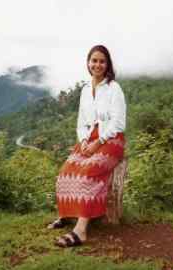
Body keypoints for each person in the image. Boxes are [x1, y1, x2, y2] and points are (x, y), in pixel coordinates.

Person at [47, 45, 127, 247]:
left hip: (111, 140)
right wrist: (83, 141)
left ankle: (81, 230)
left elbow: (118, 122)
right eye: (94, 60)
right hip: (89, 139)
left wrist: (98, 143)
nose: (97, 64)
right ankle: (66, 214)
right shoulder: (85, 90)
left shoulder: (113, 88)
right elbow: (81, 122)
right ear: (88, 63)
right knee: (66, 171)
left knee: (89, 172)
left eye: (102, 61)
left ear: (107, 64)